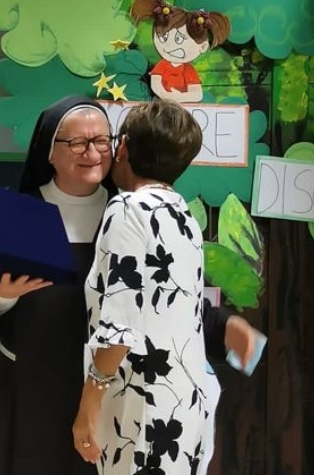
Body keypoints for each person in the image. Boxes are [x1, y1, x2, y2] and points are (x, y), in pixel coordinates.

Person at [0, 96, 255, 475]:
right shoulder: (15, 214)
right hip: (29, 392)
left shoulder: (130, 212)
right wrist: (1, 297)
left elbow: (160, 297)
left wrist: (224, 325)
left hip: (109, 396)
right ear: (48, 151)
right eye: (77, 142)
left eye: (101, 140)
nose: (93, 152)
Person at [73, 99, 212, 473]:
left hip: (139, 404)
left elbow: (121, 326)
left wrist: (89, 404)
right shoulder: (184, 216)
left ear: (124, 146)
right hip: (183, 404)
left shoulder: (128, 209)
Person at [130, 0, 231, 103]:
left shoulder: (188, 70)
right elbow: (156, 84)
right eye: (163, 37)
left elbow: (197, 94)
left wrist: (179, 97)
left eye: (179, 39)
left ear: (203, 47)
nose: (169, 46)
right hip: (162, 104)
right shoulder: (162, 65)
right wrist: (165, 96)